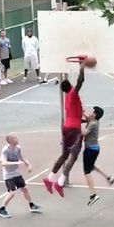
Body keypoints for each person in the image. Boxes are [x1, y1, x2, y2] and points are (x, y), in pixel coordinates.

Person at [43, 62, 86, 198]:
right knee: (73, 156)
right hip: (74, 129)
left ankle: (50, 179)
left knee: (64, 155)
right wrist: (82, 66)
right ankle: (60, 183)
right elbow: (81, 80)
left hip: (67, 128)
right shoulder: (73, 94)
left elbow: (74, 116)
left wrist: (85, 120)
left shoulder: (67, 98)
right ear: (71, 87)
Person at [0, 134, 42, 218]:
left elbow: (21, 158)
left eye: (16, 137)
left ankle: (31, 205)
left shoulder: (18, 148)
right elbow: (3, 163)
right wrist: (16, 163)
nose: (16, 139)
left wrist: (28, 165)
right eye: (14, 138)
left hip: (17, 174)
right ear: (10, 141)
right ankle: (2, 209)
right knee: (12, 193)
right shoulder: (5, 150)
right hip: (8, 176)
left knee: (25, 189)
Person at [81, 106, 114, 206]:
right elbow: (87, 117)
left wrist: (75, 124)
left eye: (92, 112)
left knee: (87, 172)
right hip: (95, 149)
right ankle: (108, 177)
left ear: (95, 114)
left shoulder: (92, 123)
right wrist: (82, 112)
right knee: (92, 166)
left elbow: (83, 133)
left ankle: (93, 195)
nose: (90, 113)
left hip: (90, 149)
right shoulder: (95, 121)